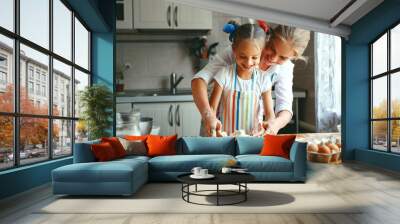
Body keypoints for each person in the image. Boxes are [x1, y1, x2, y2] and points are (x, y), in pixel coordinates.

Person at [192, 23, 310, 136]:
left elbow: (285, 106)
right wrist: (208, 115)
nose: (273, 58)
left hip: (250, 133)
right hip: (216, 129)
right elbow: (199, 80)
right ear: (268, 38)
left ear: (292, 57)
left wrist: (274, 125)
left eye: (283, 57)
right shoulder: (241, 49)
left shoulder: (284, 68)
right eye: (272, 48)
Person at [209, 22, 274, 136]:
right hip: (226, 140)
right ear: (234, 50)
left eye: (254, 57)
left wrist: (268, 127)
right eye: (243, 56)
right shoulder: (224, 75)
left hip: (253, 142)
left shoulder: (263, 79)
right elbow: (212, 110)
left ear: (262, 53)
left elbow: (270, 115)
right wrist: (214, 128)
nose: (248, 63)